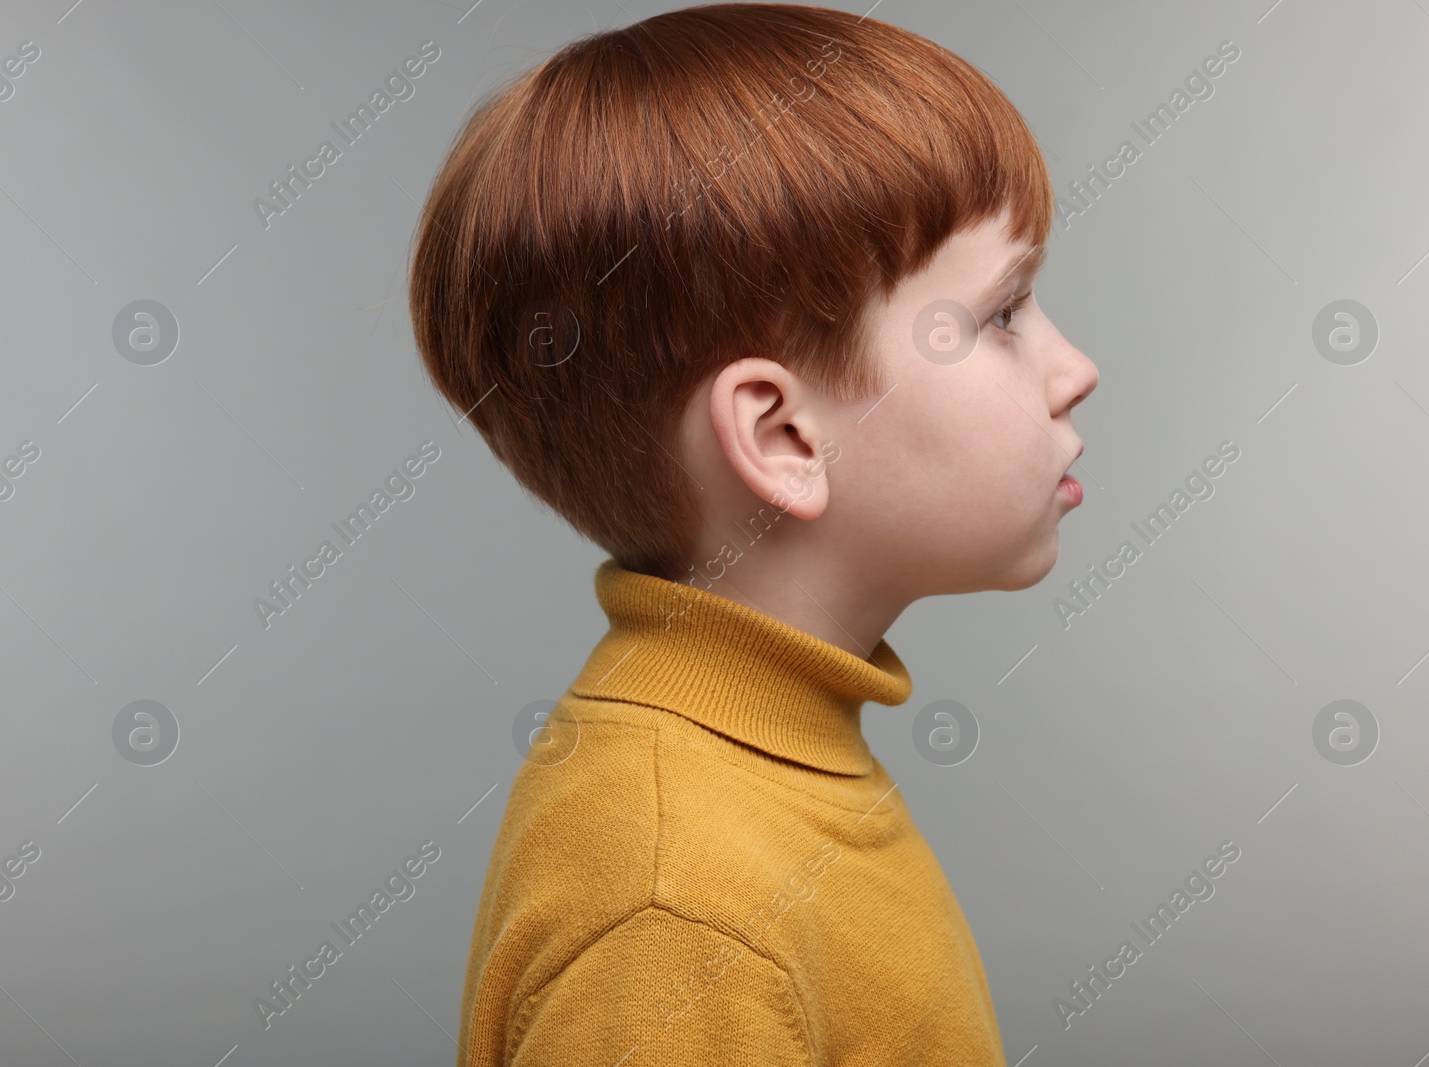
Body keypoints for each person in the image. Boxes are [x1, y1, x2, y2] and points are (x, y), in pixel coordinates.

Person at [408, 4, 1097, 1063]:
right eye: (1002, 314)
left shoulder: (766, 764)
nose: (1074, 370)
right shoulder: (675, 910)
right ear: (781, 435)